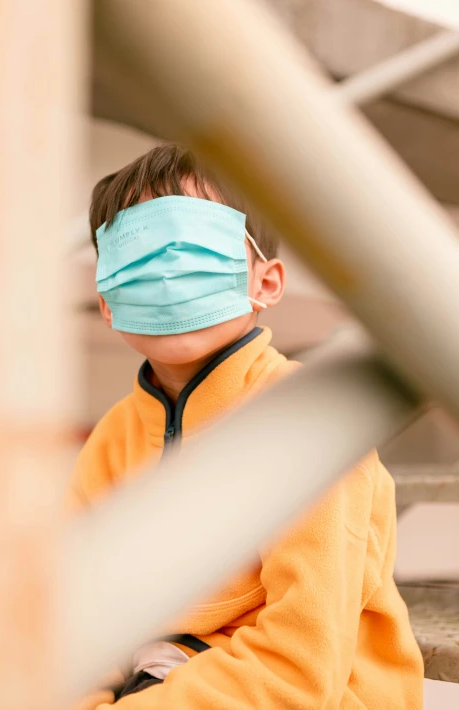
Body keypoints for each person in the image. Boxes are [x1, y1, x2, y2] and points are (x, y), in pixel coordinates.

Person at [68, 144, 423, 709]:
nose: (165, 271)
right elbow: (76, 623)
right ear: (107, 300)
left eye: (193, 244)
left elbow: (299, 668)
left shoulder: (312, 423)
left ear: (267, 282)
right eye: (137, 252)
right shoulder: (112, 438)